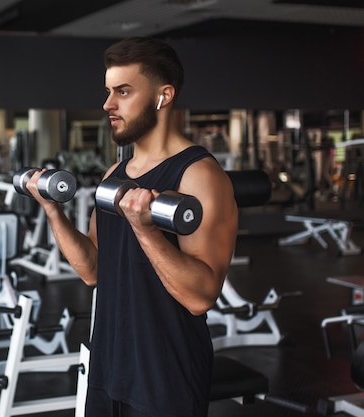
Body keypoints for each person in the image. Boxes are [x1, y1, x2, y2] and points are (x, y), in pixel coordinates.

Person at [24, 37, 238, 416]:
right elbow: (92, 270)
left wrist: (146, 229)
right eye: (108, 91)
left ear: (163, 95)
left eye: (123, 91)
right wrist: (52, 211)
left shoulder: (199, 176)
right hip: (110, 366)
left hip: (165, 375)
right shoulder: (115, 174)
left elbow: (201, 296)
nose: (108, 104)